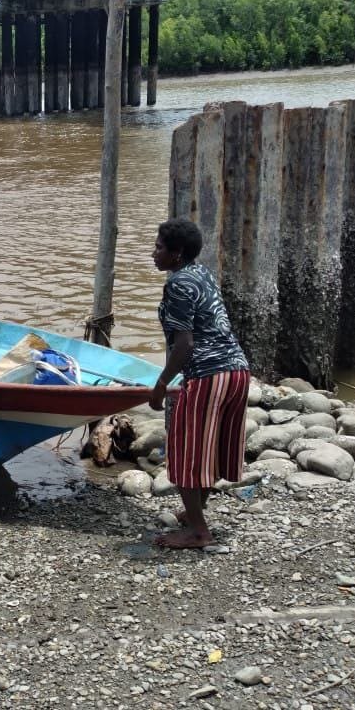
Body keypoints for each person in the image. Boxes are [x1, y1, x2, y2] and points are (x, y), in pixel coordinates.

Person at [148, 218, 251, 550]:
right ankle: (196, 510)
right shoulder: (201, 273)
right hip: (237, 372)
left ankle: (198, 532)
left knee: (187, 455)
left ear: (176, 254)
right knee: (214, 446)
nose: (154, 253)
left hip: (208, 376)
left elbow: (185, 344)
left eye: (159, 247)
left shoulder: (177, 284)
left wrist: (161, 384)